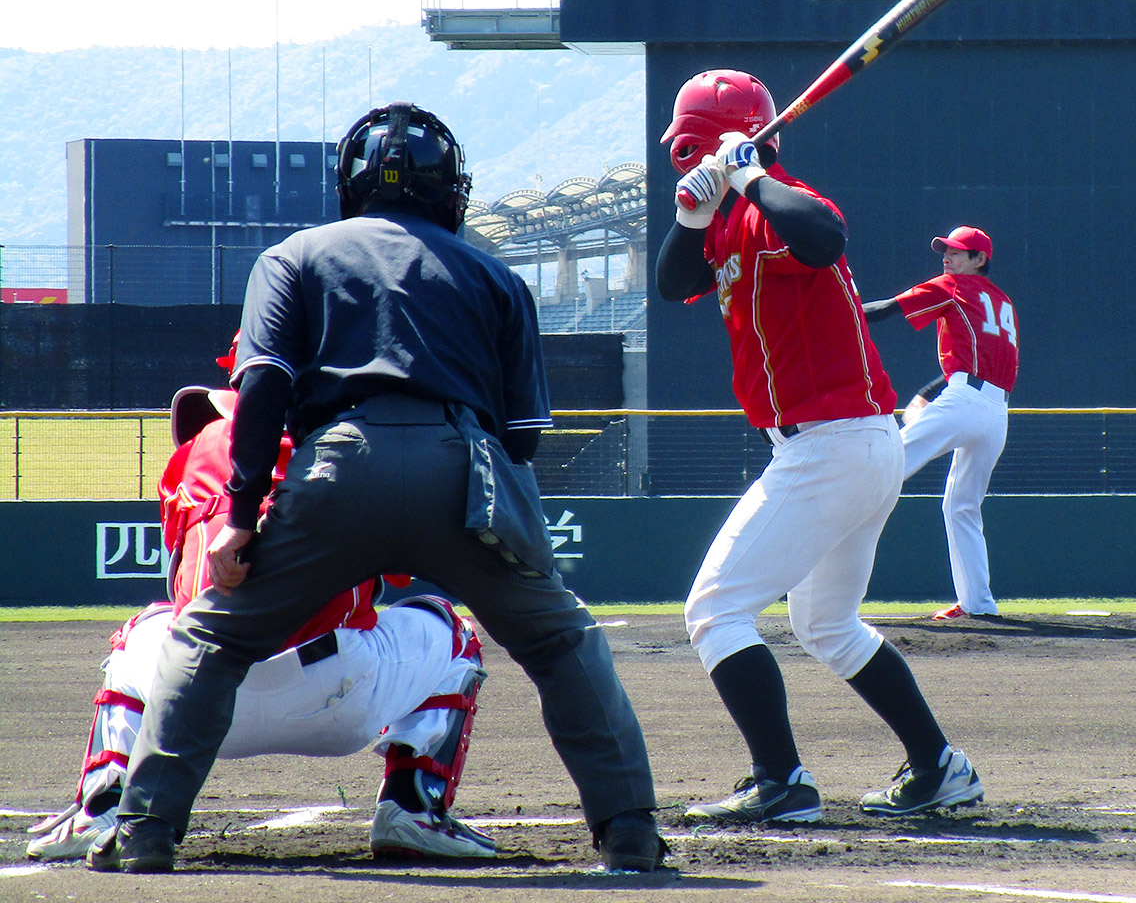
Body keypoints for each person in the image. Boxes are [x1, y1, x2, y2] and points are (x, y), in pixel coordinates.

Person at [90, 104, 664, 874]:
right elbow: (524, 438)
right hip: (464, 470)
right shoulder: (494, 275)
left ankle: (144, 834)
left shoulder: (292, 257)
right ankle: (629, 835)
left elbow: (260, 389)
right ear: (450, 187)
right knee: (561, 641)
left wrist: (238, 515)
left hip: (338, 469)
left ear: (349, 183)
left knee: (212, 637)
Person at [655, 69, 983, 824]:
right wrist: (695, 214)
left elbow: (826, 234)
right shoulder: (734, 218)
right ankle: (940, 769)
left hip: (832, 445)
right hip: (850, 448)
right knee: (826, 624)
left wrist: (752, 173)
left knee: (713, 610)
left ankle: (780, 781)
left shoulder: (781, 200)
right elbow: (674, 284)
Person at [31, 357, 493, 862]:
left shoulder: (196, 450)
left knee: (146, 628)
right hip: (335, 698)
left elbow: (184, 578)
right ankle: (413, 805)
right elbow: (391, 578)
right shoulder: (361, 449)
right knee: (449, 626)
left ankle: (102, 804)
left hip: (193, 707)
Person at [863, 225, 1018, 621]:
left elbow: (883, 310)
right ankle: (979, 605)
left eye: (957, 252)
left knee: (883, 465)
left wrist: (831, 312)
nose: (946, 258)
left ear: (979, 259)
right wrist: (931, 393)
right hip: (997, 412)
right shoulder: (1004, 303)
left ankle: (822, 582)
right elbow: (977, 364)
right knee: (962, 506)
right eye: (945, 251)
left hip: (966, 401)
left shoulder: (953, 286)